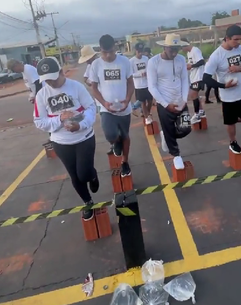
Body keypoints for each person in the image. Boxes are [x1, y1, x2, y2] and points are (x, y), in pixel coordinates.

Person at [33, 57, 99, 221]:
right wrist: (60, 119)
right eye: (46, 80)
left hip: (84, 137)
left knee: (83, 173)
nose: (51, 83)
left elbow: (91, 108)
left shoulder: (76, 87)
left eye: (53, 78)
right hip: (61, 143)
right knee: (75, 177)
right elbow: (39, 121)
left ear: (62, 72)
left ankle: (92, 175)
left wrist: (81, 125)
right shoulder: (41, 95)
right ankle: (88, 202)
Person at [203, 25, 241, 154]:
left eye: (240, 39)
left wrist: (240, 68)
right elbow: (206, 78)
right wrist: (223, 86)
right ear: (227, 38)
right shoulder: (216, 56)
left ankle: (230, 121)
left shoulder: (240, 49)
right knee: (231, 123)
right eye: (235, 39)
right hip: (228, 96)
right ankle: (233, 142)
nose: (238, 42)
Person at [89, 34, 134, 177]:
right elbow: (94, 88)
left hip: (123, 107)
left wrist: (127, 100)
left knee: (126, 135)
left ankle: (124, 162)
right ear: (100, 50)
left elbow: (130, 83)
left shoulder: (124, 62)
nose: (108, 55)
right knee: (110, 134)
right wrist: (104, 103)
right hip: (106, 108)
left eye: (110, 51)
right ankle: (115, 141)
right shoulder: (96, 65)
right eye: (104, 52)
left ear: (115, 48)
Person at [147, 33, 191, 170]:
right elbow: (152, 86)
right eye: (172, 49)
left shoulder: (181, 59)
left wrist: (184, 99)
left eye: (177, 49)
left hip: (180, 101)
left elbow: (185, 79)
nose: (174, 52)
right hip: (164, 104)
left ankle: (166, 136)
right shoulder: (153, 62)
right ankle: (176, 155)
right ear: (165, 47)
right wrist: (165, 104)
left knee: (185, 129)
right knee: (169, 128)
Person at [181, 38, 206, 124]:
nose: (182, 50)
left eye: (182, 48)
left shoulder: (195, 50)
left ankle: (197, 114)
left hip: (199, 77)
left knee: (193, 94)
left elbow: (202, 61)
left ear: (185, 45)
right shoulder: (189, 53)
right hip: (193, 77)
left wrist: (192, 66)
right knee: (194, 94)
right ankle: (201, 111)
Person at [130, 42, 153, 125]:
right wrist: (140, 74)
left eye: (141, 52)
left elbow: (149, 68)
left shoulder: (146, 59)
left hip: (147, 83)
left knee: (150, 100)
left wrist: (147, 73)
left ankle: (146, 112)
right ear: (135, 51)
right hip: (139, 85)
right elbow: (131, 74)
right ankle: (147, 117)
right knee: (142, 101)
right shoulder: (131, 61)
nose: (140, 54)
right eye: (138, 52)